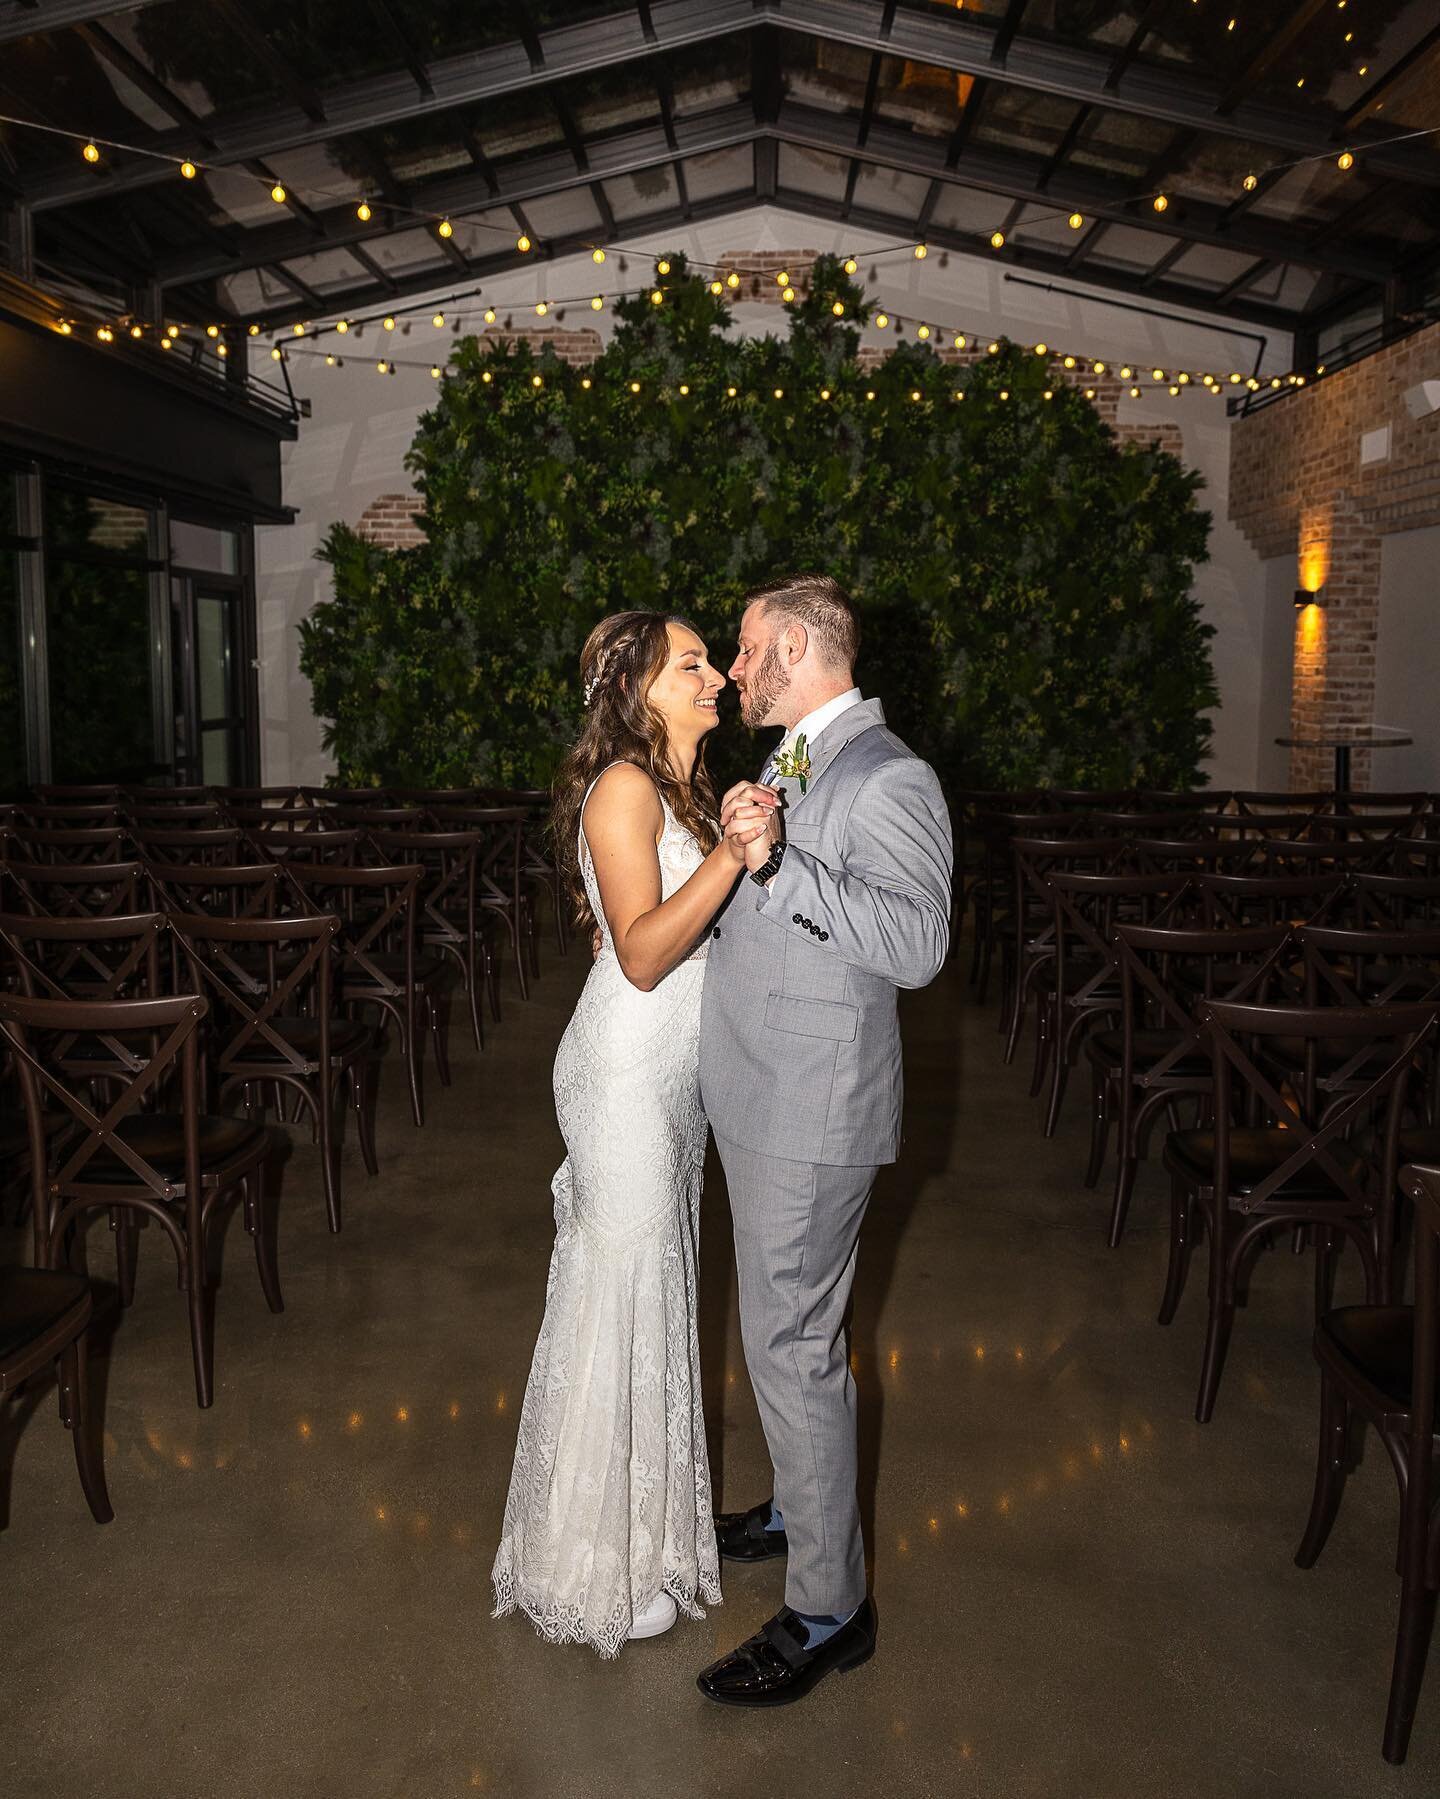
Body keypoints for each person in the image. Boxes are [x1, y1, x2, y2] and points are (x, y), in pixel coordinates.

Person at [696, 573, 953, 1708]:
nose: (734, 670)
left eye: (747, 651)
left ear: (795, 644)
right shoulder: (798, 754)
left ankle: (828, 1608)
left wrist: (781, 864)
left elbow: (915, 941)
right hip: (763, 1091)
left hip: (810, 1107)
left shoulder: (889, 773)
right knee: (791, 1338)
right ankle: (802, 1504)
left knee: (792, 1346)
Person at [491, 609, 767, 1656]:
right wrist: (736, 858)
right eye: (690, 664)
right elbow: (646, 954)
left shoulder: (680, 787)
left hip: (671, 1082)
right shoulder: (623, 785)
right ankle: (584, 1560)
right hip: (619, 1077)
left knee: (655, 1295)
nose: (715, 677)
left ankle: (635, 1533)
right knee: (621, 1298)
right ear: (639, 690)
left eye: (708, 661)